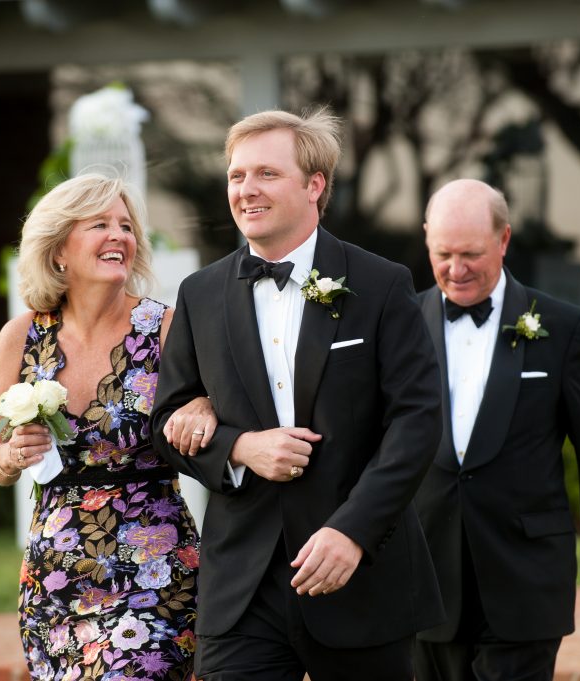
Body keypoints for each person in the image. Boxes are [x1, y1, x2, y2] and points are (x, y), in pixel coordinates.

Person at [148, 108, 445, 681]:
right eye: (236, 176)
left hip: (361, 573)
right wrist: (239, 448)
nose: (245, 190)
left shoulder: (381, 284)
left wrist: (353, 531)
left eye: (266, 174)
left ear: (315, 186)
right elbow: (168, 422)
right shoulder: (200, 294)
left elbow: (417, 420)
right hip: (242, 586)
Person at [0, 172, 212, 681]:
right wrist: (13, 453)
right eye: (99, 224)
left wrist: (205, 409)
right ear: (59, 248)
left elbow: (210, 408)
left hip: (154, 563)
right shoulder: (21, 336)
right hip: (55, 574)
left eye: (126, 227)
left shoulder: (165, 328)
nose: (119, 237)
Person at [413, 178, 580, 681]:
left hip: (525, 575)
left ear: (504, 240)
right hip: (424, 576)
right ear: (426, 238)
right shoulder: (399, 323)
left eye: (471, 253)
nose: (456, 268)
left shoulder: (563, 326)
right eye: (442, 253)